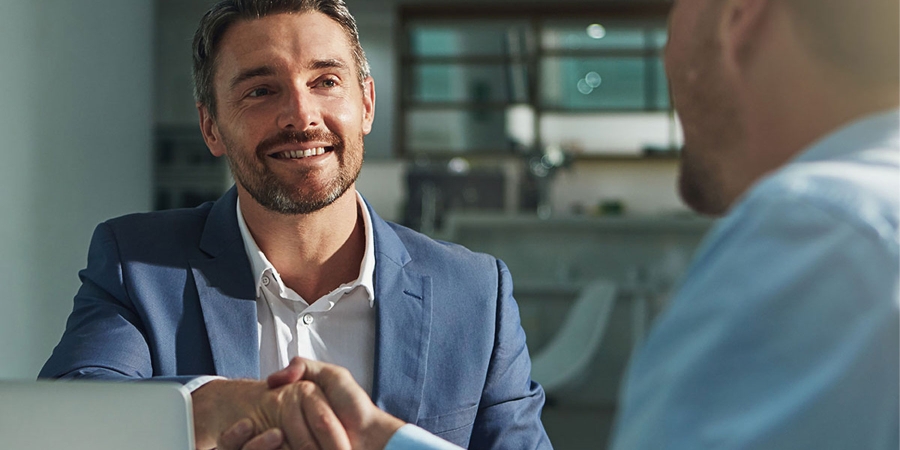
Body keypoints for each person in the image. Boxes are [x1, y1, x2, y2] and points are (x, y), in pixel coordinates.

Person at [220, 0, 900, 448]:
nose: (300, 115)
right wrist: (385, 437)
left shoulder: (817, 235)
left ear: (739, 16)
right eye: (259, 89)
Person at [38, 1, 550, 449]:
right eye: (261, 90)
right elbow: (66, 422)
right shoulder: (138, 266)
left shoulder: (476, 294)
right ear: (211, 126)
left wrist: (389, 444)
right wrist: (223, 408)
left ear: (366, 103)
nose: (301, 115)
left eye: (326, 81)